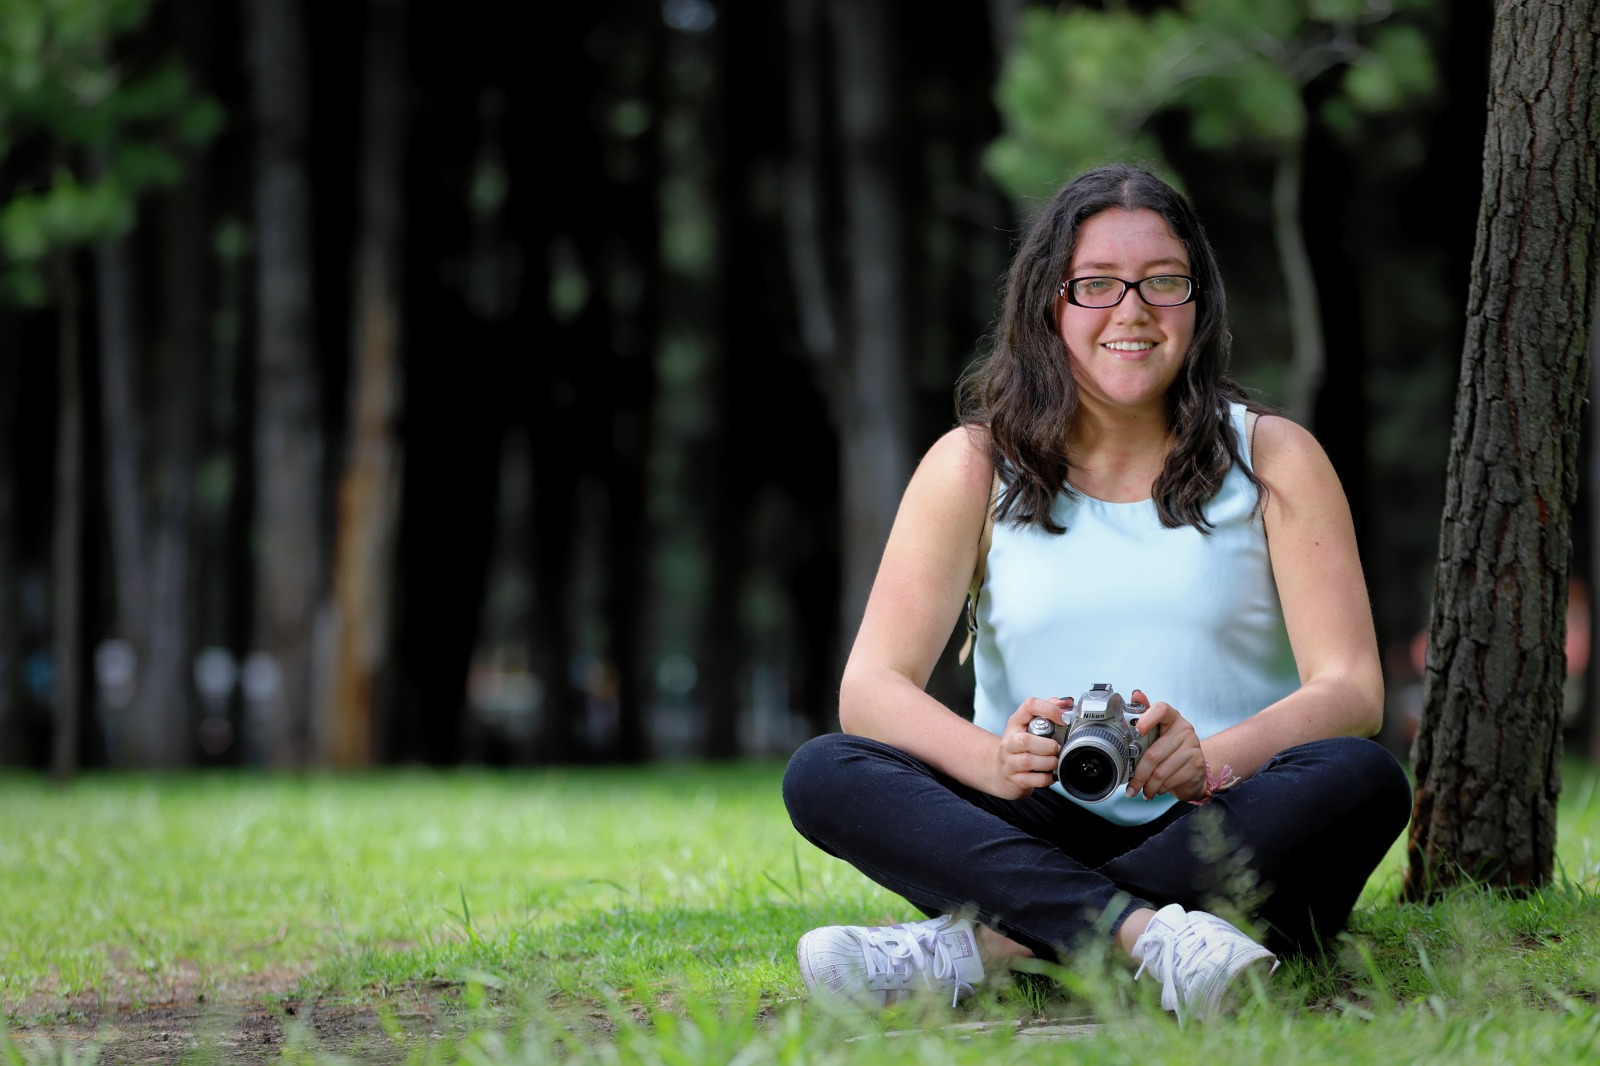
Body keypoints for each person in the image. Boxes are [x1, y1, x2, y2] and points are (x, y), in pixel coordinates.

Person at [780, 163, 1413, 1022]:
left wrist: (1210, 760)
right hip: (1032, 818)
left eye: (1163, 282)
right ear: (1049, 303)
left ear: (1199, 302)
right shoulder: (974, 466)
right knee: (826, 771)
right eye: (1097, 284)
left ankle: (991, 946)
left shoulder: (1273, 457)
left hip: (1221, 815)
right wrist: (994, 763)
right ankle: (1152, 939)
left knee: (1361, 777)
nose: (1132, 310)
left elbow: (1352, 689)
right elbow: (870, 688)